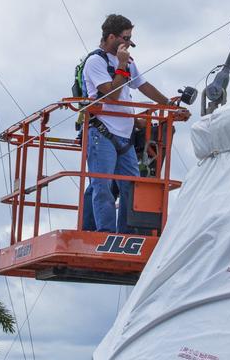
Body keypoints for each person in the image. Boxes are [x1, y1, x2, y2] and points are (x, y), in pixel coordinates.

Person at [80, 14, 190, 232]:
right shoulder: (95, 62)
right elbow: (111, 94)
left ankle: (126, 234)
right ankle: (105, 233)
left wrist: (170, 105)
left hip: (124, 134)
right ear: (111, 37)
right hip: (102, 132)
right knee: (102, 185)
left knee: (131, 186)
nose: (129, 44)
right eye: (126, 38)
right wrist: (121, 65)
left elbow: (143, 85)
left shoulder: (128, 62)